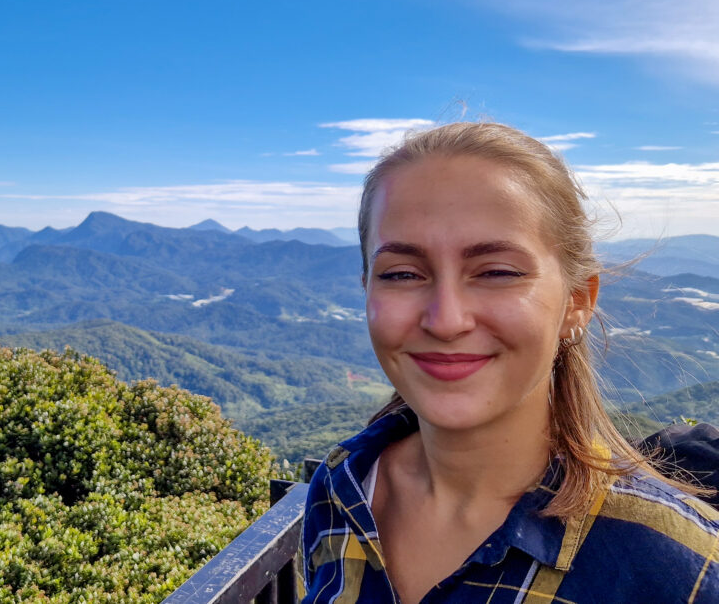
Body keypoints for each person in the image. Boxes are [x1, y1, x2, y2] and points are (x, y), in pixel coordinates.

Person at [300, 122, 719, 603]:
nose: (446, 320)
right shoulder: (343, 488)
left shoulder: (671, 565)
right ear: (367, 288)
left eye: (497, 272)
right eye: (401, 273)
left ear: (577, 300)